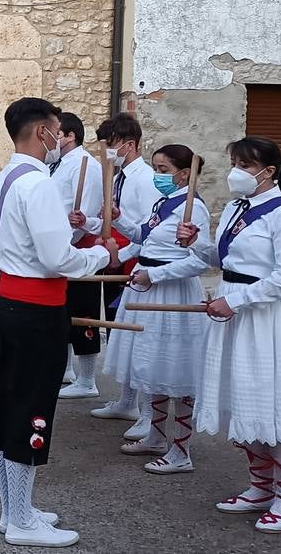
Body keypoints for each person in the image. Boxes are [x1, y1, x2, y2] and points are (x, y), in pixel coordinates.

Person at [134, 136, 281, 532]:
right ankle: (261, 487)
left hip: (269, 318)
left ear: (270, 171)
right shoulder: (235, 207)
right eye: (235, 163)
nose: (237, 173)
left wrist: (237, 301)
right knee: (245, 401)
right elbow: (225, 260)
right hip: (234, 309)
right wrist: (198, 244)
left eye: (245, 166)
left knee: (275, 406)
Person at [0, 97, 115, 548]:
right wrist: (101, 251)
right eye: (56, 130)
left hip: (14, 302)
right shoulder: (37, 184)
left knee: (11, 403)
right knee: (29, 409)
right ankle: (20, 521)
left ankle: (14, 509)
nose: (59, 139)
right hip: (35, 310)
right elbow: (59, 258)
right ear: (43, 132)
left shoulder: (3, 179)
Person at [102, 144, 211, 473]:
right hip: (147, 290)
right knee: (152, 369)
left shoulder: (195, 210)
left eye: (163, 170)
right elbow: (144, 239)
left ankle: (181, 450)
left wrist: (157, 275)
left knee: (175, 370)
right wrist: (118, 231)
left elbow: (198, 262)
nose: (158, 176)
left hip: (172, 295)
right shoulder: (163, 203)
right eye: (156, 168)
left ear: (184, 174)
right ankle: (156, 435)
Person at [89, 113, 156, 441]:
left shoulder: (145, 180)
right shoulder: (117, 177)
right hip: (116, 260)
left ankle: (147, 412)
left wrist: (130, 256)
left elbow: (150, 228)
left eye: (111, 146)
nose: (107, 154)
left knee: (139, 339)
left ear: (129, 145)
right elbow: (113, 220)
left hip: (135, 264)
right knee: (121, 335)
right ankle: (126, 400)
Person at [48, 113, 105, 400]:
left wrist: (67, 243)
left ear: (69, 136)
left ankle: (87, 378)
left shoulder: (87, 166)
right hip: (62, 246)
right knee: (64, 311)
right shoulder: (58, 165)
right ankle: (67, 370)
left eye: (56, 133)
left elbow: (86, 213)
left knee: (84, 313)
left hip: (78, 247)